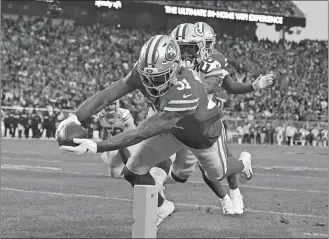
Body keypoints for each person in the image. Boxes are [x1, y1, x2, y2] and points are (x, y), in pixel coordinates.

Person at [57, 35, 253, 226]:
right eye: (148, 77)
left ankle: (243, 164)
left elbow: (142, 132)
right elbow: (108, 96)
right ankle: (162, 206)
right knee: (133, 171)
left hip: (202, 133)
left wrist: (95, 146)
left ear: (175, 69)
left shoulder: (187, 89)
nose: (151, 84)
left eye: (158, 78)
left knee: (217, 174)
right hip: (172, 129)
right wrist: (75, 117)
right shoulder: (142, 72)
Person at [164, 22, 273, 215]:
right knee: (182, 173)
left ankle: (234, 193)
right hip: (182, 118)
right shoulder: (177, 59)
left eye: (208, 42)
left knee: (217, 164)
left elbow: (224, 85)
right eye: (202, 43)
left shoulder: (215, 60)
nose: (207, 47)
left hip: (205, 119)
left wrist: (253, 87)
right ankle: (224, 197)